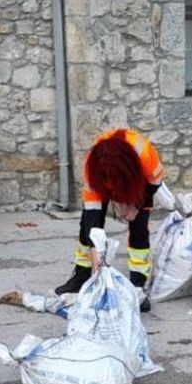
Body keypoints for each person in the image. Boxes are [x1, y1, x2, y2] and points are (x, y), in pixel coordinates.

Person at [55, 129, 164, 312]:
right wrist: (96, 253)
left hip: (137, 183)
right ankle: (81, 277)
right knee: (85, 229)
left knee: (139, 230)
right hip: (104, 179)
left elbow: (154, 183)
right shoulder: (94, 165)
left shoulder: (145, 155)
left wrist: (136, 205)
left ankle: (138, 284)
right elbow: (93, 215)